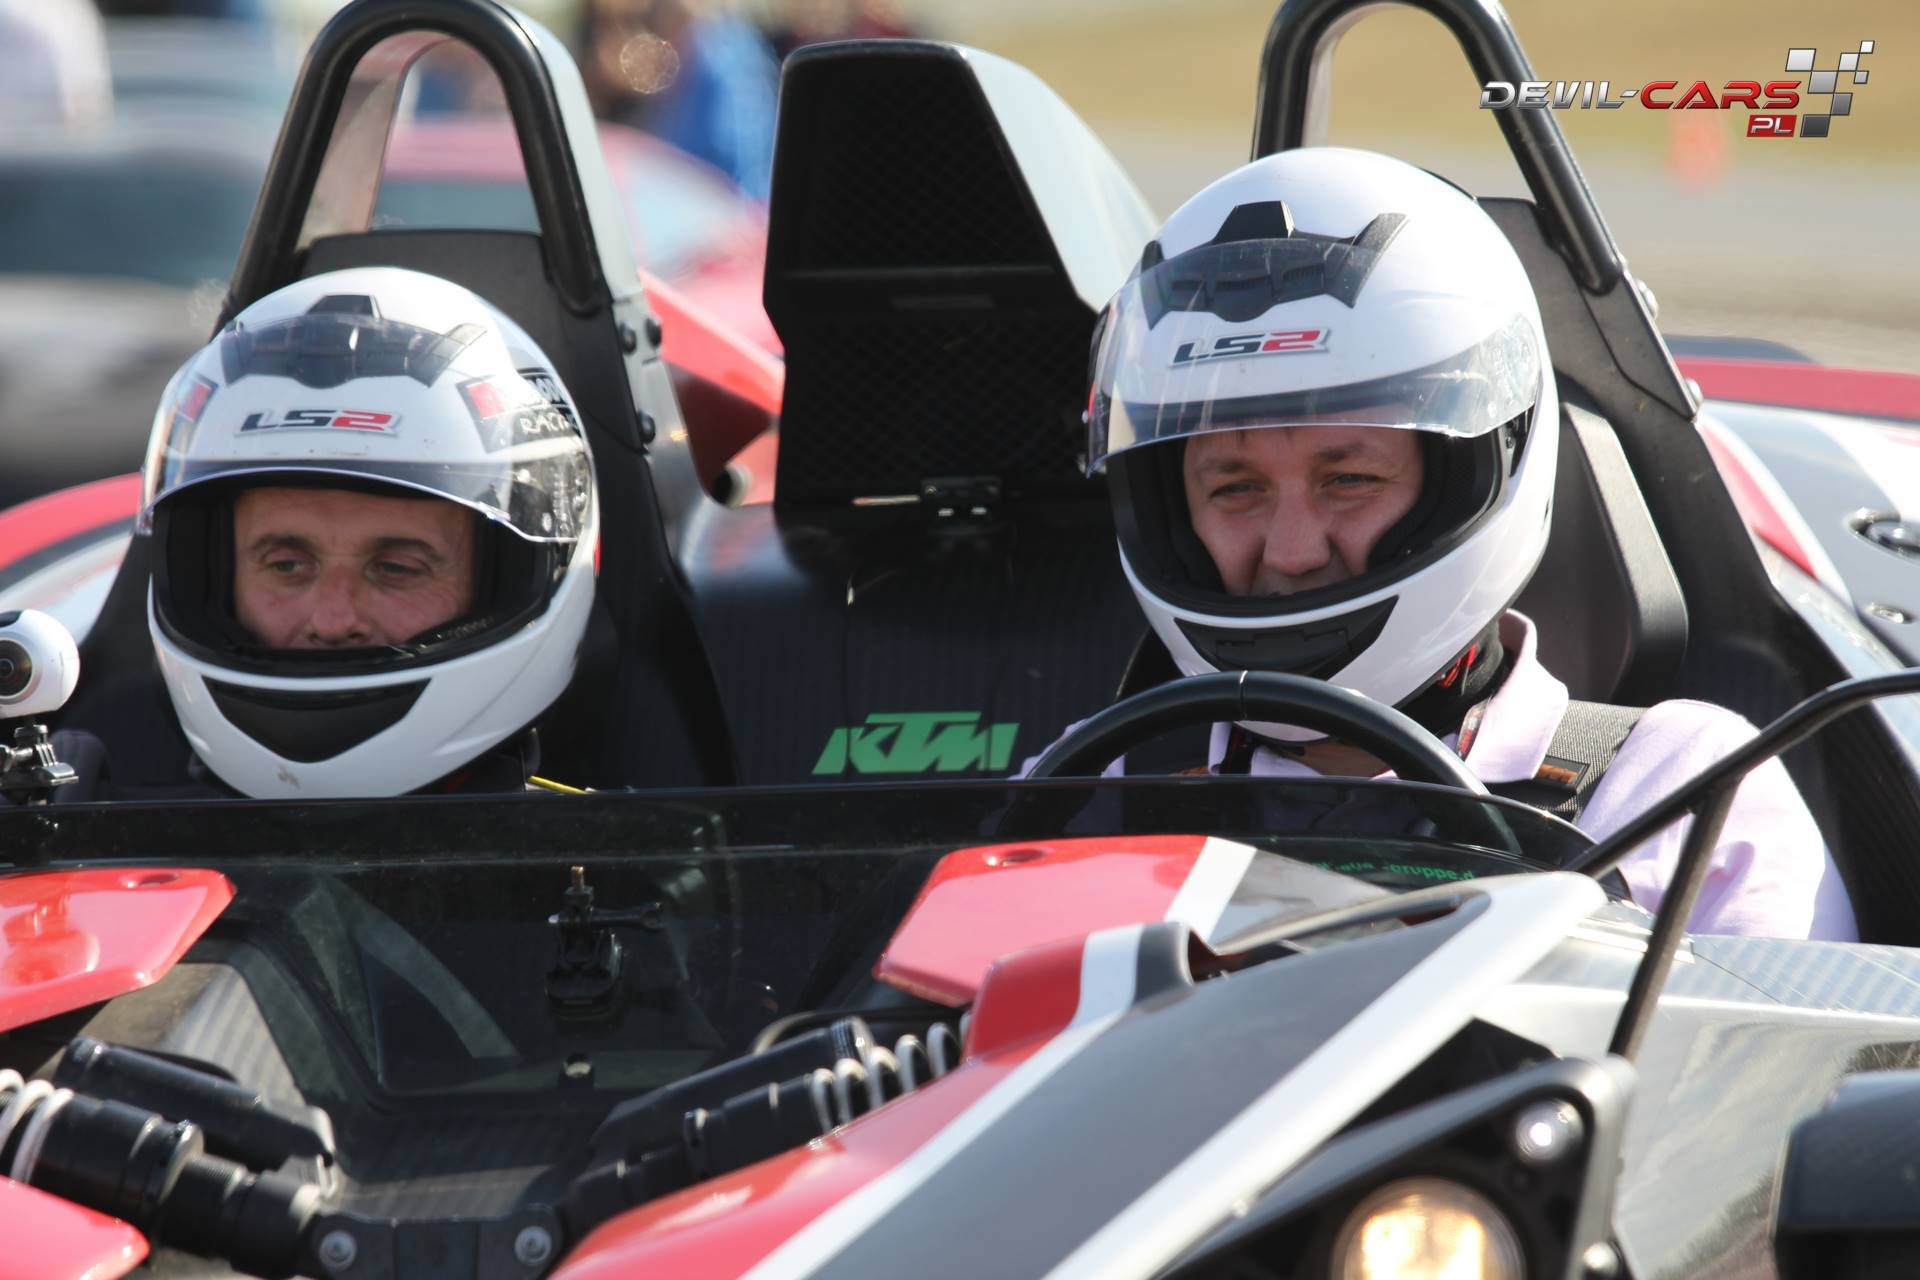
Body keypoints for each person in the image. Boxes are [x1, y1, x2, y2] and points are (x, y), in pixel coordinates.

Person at [1060, 147, 1856, 942]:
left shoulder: (1676, 794)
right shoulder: (1095, 786)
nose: (1292, 552)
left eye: (1349, 480)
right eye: (1236, 489)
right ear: (1171, 515)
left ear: (1470, 479)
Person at [123, 265, 599, 799]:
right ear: (205, 574)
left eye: (396, 569)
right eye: (287, 565)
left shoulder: (626, 851)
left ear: (509, 578)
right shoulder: (86, 823)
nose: (333, 621)